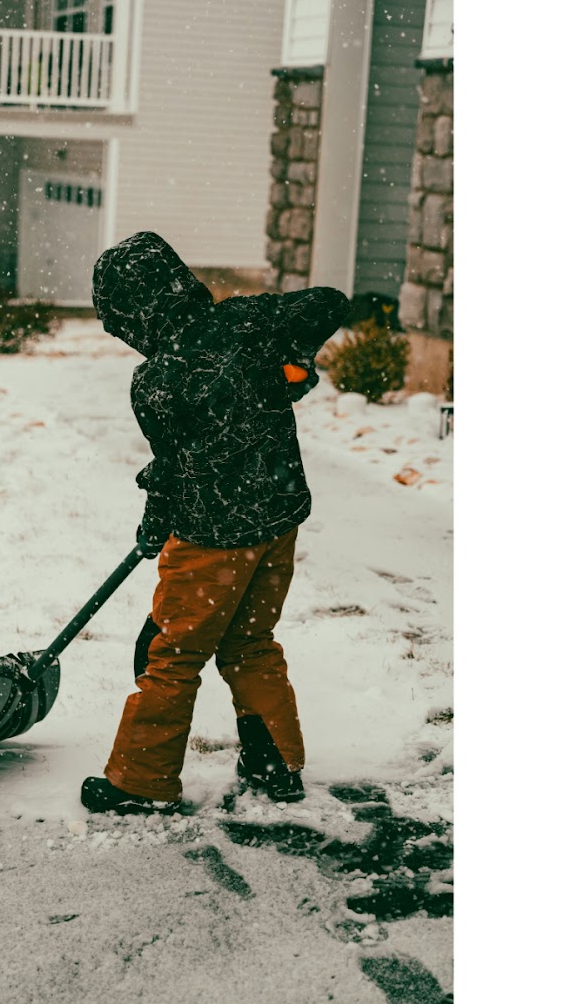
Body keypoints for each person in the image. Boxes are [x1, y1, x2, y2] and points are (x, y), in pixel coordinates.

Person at [80, 231, 349, 815]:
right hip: (277, 520)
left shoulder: (157, 381)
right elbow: (329, 302)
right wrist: (283, 356)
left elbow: (174, 470)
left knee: (171, 654)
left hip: (212, 540)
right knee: (250, 639)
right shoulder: (247, 321)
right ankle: (275, 765)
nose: (122, 337)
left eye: (120, 323)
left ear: (137, 314)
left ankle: (141, 782)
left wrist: (291, 366)